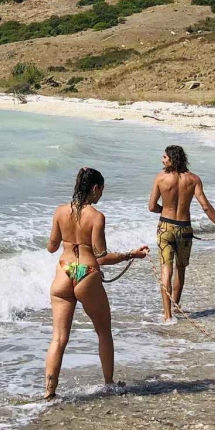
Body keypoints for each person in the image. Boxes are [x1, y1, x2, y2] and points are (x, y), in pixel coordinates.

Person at [44, 167, 149, 400]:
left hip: (64, 271)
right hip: (87, 273)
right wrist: (130, 255)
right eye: (101, 191)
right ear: (95, 188)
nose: (101, 195)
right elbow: (101, 256)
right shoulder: (96, 217)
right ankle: (109, 383)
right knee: (103, 332)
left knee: (59, 338)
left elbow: (51, 247)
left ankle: (49, 392)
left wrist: (62, 238)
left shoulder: (60, 211)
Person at [147, 144, 215, 323]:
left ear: (172, 159)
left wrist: (165, 210)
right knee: (181, 270)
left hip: (165, 227)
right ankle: (176, 307)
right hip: (185, 228)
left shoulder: (161, 178)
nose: (162, 160)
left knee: (165, 269)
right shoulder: (193, 179)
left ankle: (168, 315)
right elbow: (206, 206)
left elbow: (152, 206)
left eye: (164, 157)